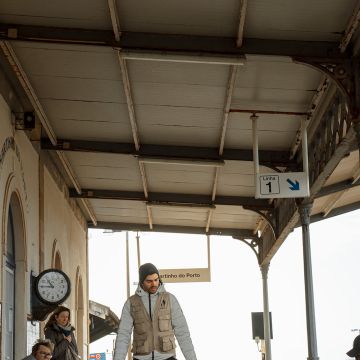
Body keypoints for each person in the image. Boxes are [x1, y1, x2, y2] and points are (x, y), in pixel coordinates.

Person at [114, 263, 197, 360]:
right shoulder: (131, 303)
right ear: (141, 282)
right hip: (141, 358)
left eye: (156, 280)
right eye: (149, 281)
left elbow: (182, 332)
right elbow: (123, 335)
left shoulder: (170, 300)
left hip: (167, 357)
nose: (154, 284)